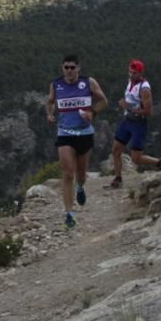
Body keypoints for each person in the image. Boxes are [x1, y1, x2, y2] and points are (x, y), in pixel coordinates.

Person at [46, 54, 107, 229]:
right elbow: (50, 102)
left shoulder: (89, 83)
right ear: (62, 68)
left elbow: (104, 101)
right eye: (66, 67)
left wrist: (92, 113)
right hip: (64, 133)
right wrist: (49, 114)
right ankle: (69, 214)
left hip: (84, 133)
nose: (70, 70)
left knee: (80, 175)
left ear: (79, 68)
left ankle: (80, 187)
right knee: (68, 174)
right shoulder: (56, 84)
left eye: (73, 67)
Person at [107, 59, 161, 189]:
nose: (131, 74)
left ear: (141, 73)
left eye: (134, 73)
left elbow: (148, 111)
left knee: (136, 159)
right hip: (127, 120)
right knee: (116, 149)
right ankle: (118, 179)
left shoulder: (144, 88)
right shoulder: (130, 82)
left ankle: (160, 162)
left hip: (139, 124)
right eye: (130, 71)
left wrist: (128, 107)